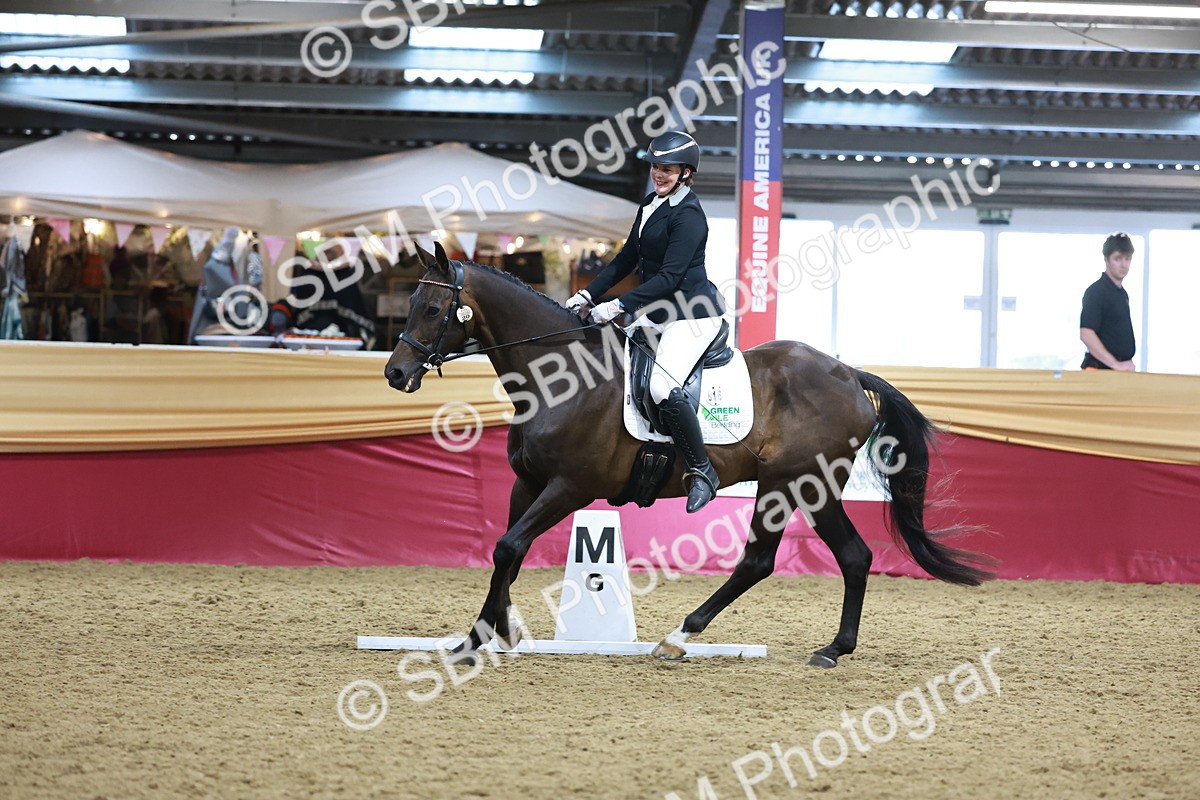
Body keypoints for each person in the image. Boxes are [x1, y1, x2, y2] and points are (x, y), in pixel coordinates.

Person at [564, 130, 726, 513]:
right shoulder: (651, 203)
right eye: (655, 167)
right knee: (612, 370)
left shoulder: (690, 216)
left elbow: (669, 277)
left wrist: (617, 305)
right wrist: (588, 294)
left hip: (693, 315)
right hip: (659, 312)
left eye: (667, 169)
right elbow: (626, 258)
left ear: (686, 173)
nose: (658, 174)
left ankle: (703, 472)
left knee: (661, 387)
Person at [1080, 233, 1136, 371]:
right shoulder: (1096, 292)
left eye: (1127, 258)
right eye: (1118, 259)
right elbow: (1086, 333)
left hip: (1118, 369)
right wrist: (1115, 364)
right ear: (1106, 260)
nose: (1123, 264)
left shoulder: (1122, 294)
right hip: (1100, 370)